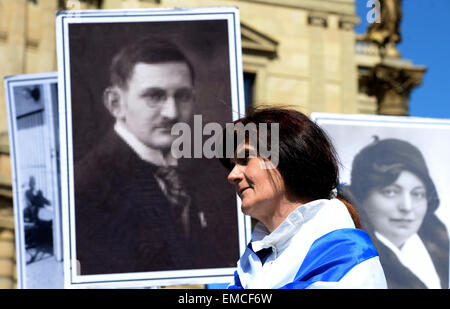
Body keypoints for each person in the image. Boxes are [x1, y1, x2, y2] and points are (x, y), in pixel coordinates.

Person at [74, 37, 236, 275]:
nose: (171, 113)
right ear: (115, 103)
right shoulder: (87, 185)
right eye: (154, 96)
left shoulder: (210, 178)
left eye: (182, 96)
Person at [219, 107, 387, 289]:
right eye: (232, 165)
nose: (232, 175)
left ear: (289, 158)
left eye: (245, 159)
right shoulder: (250, 265)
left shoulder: (347, 257)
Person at [342, 137, 449, 289]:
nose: (407, 207)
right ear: (362, 196)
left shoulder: (440, 245)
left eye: (417, 194)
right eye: (390, 192)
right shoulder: (347, 258)